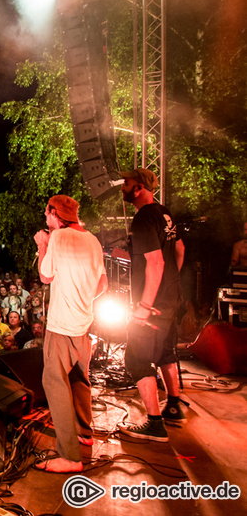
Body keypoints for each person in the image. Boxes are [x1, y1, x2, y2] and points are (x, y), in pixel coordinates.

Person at [34, 194, 107, 473]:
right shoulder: (92, 239)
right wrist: (83, 300)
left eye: (47, 213)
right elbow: (103, 282)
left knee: (54, 382)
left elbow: (45, 275)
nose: (45, 217)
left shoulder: (59, 238)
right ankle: (84, 433)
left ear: (55, 214)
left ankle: (69, 456)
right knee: (79, 377)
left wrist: (44, 244)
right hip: (83, 324)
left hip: (61, 325)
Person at [117, 168, 186, 442]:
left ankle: (154, 423)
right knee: (166, 352)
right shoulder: (164, 213)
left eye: (127, 183)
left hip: (153, 304)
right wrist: (171, 281)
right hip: (171, 296)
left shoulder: (144, 217)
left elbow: (155, 262)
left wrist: (145, 304)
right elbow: (179, 250)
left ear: (139, 188)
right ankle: (173, 405)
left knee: (137, 357)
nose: (123, 187)